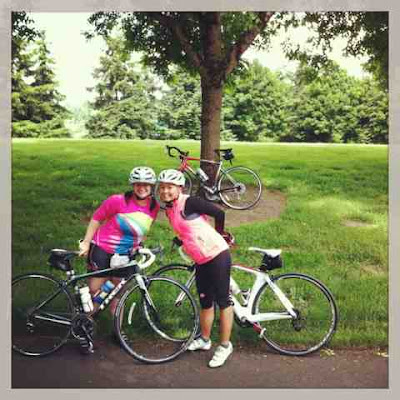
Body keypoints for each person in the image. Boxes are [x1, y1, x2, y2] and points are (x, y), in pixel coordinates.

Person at [157, 168, 235, 368]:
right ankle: (205, 340)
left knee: (223, 301)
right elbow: (188, 227)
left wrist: (220, 234)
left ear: (180, 188)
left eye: (170, 187)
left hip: (216, 254)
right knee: (205, 301)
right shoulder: (169, 209)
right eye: (162, 187)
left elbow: (219, 212)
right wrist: (181, 239)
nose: (165, 191)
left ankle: (225, 346)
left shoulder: (189, 202)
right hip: (201, 260)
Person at [78, 166, 159, 335]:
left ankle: (118, 333)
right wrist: (85, 242)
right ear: (132, 185)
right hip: (102, 249)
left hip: (126, 254)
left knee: (118, 294)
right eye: (137, 184)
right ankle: (84, 327)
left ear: (152, 186)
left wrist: (139, 246)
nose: (142, 187)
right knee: (96, 291)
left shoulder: (154, 207)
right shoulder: (117, 201)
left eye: (146, 184)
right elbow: (96, 218)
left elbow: (142, 229)